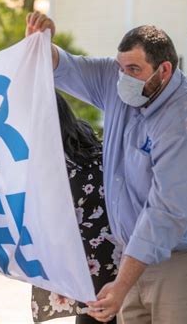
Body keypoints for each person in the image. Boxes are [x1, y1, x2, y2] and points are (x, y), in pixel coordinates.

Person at [26, 12, 187, 324]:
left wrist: (122, 283)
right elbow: (66, 68)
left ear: (164, 70)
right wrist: (42, 45)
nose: (123, 77)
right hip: (135, 260)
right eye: (121, 67)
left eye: (134, 69)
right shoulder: (120, 82)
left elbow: (166, 211)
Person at [31, 92, 120, 324]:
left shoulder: (56, 162)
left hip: (88, 263)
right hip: (118, 251)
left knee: (95, 316)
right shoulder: (88, 140)